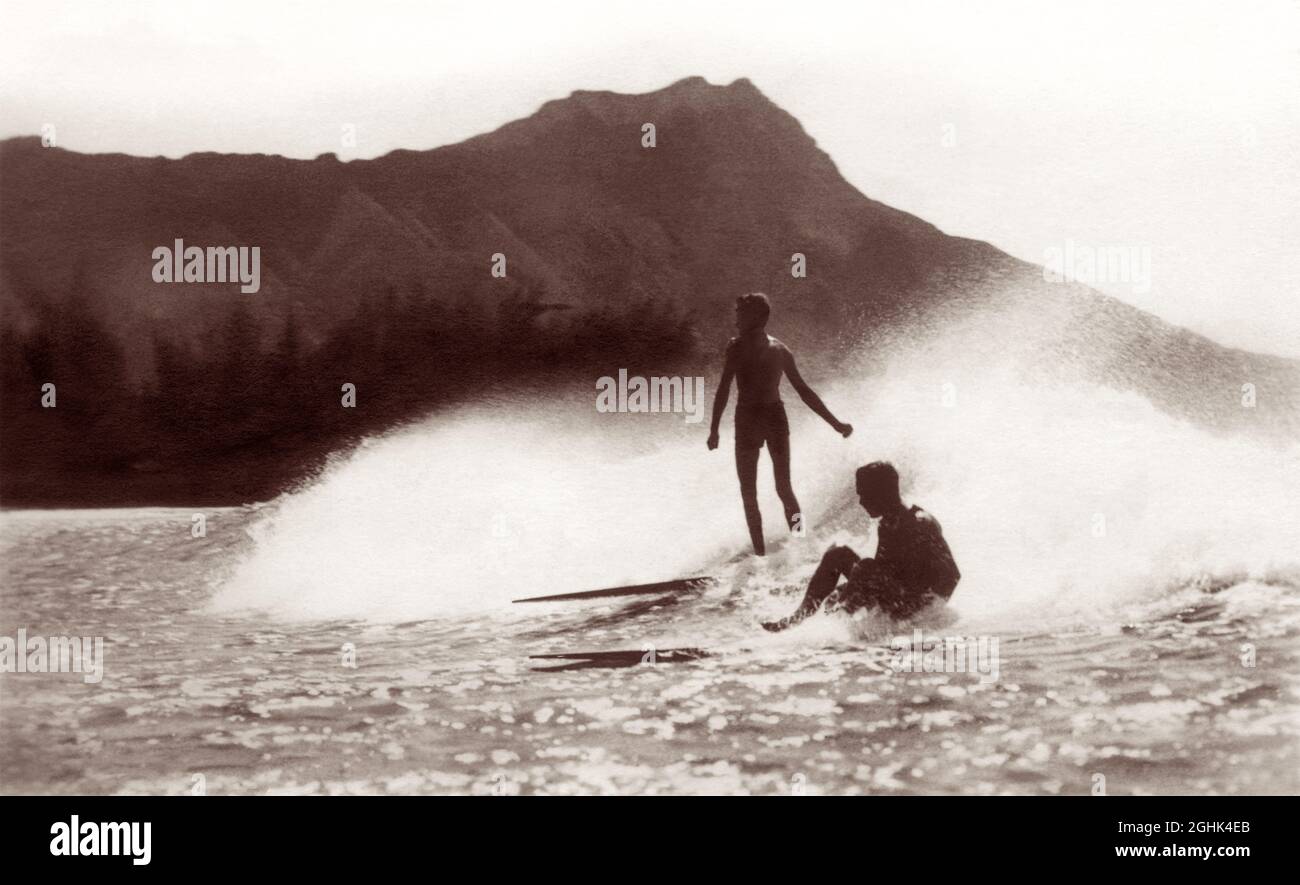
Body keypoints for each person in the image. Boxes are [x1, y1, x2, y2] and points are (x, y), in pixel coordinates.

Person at [707, 293, 853, 556]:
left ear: (759, 317)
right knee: (749, 493)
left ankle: (801, 547)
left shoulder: (778, 350)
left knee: (782, 488)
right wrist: (714, 428)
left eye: (742, 312)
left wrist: (835, 423)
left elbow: (803, 391)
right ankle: (761, 555)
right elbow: (724, 388)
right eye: (737, 311)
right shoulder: (737, 348)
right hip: (751, 418)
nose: (736, 317)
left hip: (770, 417)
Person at [762, 461, 960, 631]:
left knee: (865, 568)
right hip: (897, 596)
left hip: (914, 606)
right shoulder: (887, 523)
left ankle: (835, 625)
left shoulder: (919, 523)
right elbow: (885, 571)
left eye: (866, 495)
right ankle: (800, 617)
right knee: (838, 553)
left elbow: (952, 575)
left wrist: (925, 614)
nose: (862, 502)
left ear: (886, 493)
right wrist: (850, 588)